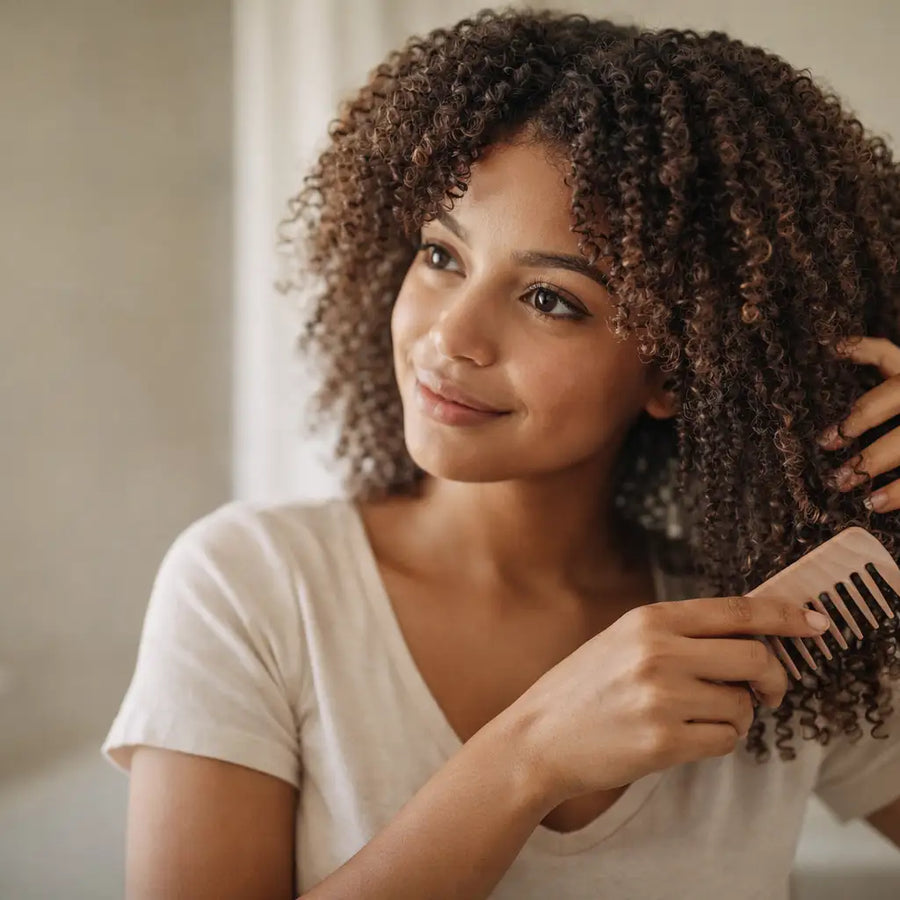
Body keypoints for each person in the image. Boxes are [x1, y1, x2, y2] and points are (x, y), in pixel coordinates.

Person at [101, 8, 900, 899]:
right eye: (442, 253)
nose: (451, 334)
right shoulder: (251, 587)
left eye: (551, 300)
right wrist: (530, 757)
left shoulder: (777, 629)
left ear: (681, 369)